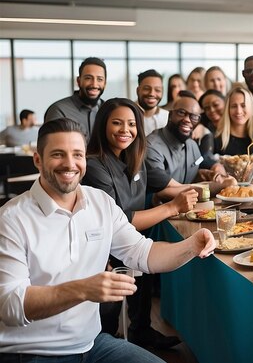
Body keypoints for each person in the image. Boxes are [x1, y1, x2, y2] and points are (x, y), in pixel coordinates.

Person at [0, 118, 216, 361]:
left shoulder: (100, 202)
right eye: (58, 154)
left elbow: (144, 254)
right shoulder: (11, 218)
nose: (70, 164)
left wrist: (192, 245)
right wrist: (82, 289)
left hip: (91, 345)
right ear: (38, 160)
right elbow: (10, 306)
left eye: (77, 155)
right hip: (30, 352)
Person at [82, 98, 198, 349]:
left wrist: (221, 186)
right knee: (107, 318)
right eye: (117, 123)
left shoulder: (135, 156)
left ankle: (140, 332)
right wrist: (171, 207)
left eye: (132, 124)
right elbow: (120, 219)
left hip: (133, 244)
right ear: (103, 125)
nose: (125, 130)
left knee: (143, 286)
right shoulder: (94, 165)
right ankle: (105, 346)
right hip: (104, 249)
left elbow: (171, 186)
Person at [145, 94, 232, 201]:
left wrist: (206, 174)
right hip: (156, 211)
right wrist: (223, 185)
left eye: (194, 117)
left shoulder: (192, 145)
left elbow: (191, 175)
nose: (187, 120)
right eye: (181, 112)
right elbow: (169, 188)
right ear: (170, 115)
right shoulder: (151, 146)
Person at [44, 57, 107, 141]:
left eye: (100, 79)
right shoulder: (58, 110)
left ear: (105, 83)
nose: (94, 84)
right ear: (78, 81)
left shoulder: (109, 111)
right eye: (88, 78)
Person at [136, 69, 169, 136]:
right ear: (138, 90)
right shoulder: (127, 115)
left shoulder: (167, 117)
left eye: (157, 90)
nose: (152, 94)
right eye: (146, 88)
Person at [198, 89, 226, 157]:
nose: (212, 110)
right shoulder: (204, 130)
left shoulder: (237, 126)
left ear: (226, 103)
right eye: (207, 108)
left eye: (216, 105)